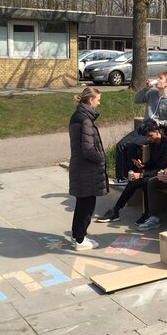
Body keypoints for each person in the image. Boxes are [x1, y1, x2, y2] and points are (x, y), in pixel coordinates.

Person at [96, 120, 167, 225]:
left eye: (150, 136)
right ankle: (116, 210)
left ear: (157, 131)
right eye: (147, 137)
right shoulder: (153, 143)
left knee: (146, 181)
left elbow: (162, 167)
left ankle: (148, 213)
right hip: (155, 171)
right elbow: (153, 162)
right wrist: (143, 165)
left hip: (165, 173)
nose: (148, 139)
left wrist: (142, 174)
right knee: (134, 181)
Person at [113, 71, 167, 185]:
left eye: (161, 78)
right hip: (143, 127)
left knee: (131, 146)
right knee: (120, 145)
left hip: (155, 131)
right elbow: (137, 100)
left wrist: (161, 122)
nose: (157, 80)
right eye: (157, 77)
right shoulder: (152, 93)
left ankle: (129, 174)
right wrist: (145, 89)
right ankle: (121, 177)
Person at [68, 87, 108, 251]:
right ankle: (80, 239)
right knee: (87, 205)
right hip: (87, 170)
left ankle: (77, 235)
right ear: (91, 100)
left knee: (82, 203)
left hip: (80, 168)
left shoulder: (77, 116)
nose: (99, 102)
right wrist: (101, 159)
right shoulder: (85, 120)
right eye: (98, 100)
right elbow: (88, 149)